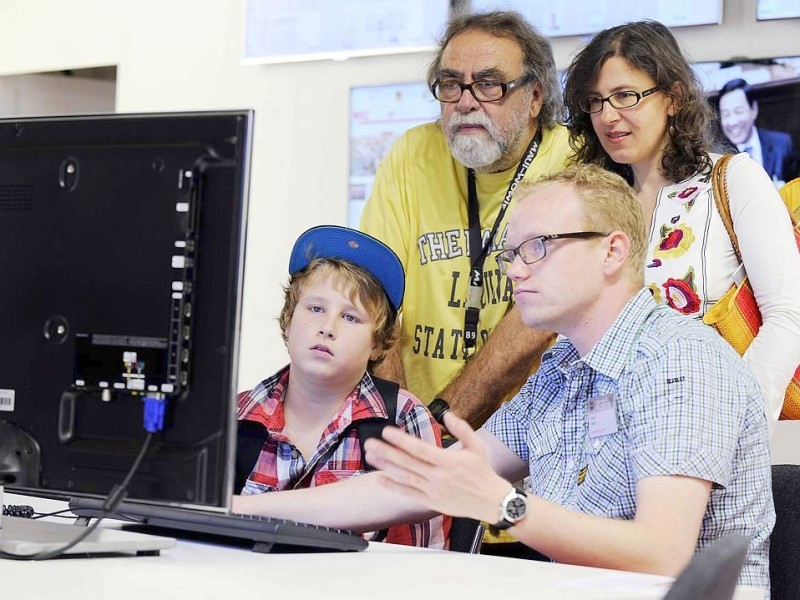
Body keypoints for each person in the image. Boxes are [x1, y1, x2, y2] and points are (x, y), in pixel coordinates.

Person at [233, 165, 774, 595]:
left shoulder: (681, 361)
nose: (516, 269)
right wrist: (238, 509)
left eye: (538, 246)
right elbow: (417, 486)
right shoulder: (559, 375)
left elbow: (663, 555)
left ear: (612, 251)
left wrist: (505, 506)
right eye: (512, 253)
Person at [562, 19, 800, 434]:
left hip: (714, 434)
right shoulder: (595, 205)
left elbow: (788, 315)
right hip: (613, 444)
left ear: (672, 98)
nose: (608, 115)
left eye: (625, 96)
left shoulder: (731, 179)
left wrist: (733, 427)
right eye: (595, 101)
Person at [360, 10, 572, 427]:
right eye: (451, 83)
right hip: (414, 424)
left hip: (531, 435)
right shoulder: (413, 154)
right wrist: (400, 422)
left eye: (489, 84)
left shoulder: (572, 161)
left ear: (535, 97)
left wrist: (439, 423)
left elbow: (543, 317)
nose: (466, 101)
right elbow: (374, 294)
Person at [235, 225, 448, 548]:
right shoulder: (235, 416)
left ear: (378, 343)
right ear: (288, 320)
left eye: (350, 318)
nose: (327, 328)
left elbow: (423, 563)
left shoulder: (403, 421)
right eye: (316, 308)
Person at [717, 78, 799, 186]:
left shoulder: (782, 144)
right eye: (726, 114)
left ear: (754, 110)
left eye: (739, 111)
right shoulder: (718, 157)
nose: (733, 122)